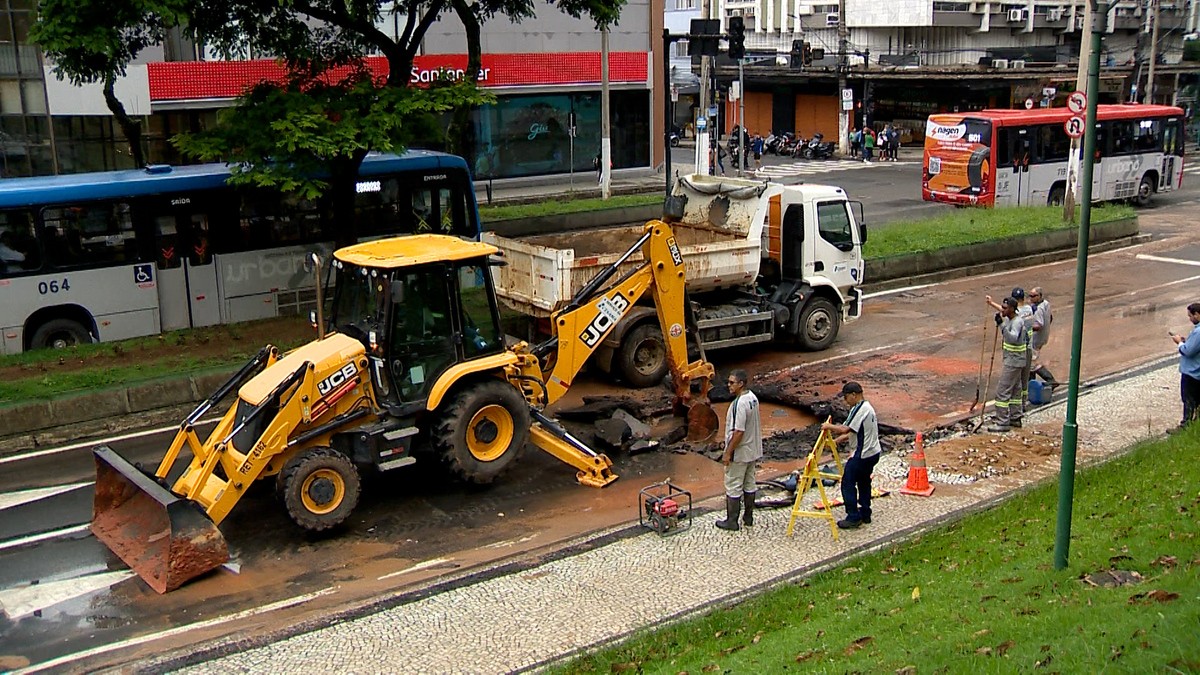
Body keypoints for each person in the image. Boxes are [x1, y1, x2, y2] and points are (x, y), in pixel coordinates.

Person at [821, 381, 881, 529]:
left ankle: (853, 516)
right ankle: (865, 512)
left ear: (854, 395)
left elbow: (844, 429)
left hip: (863, 454)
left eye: (846, 397)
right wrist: (837, 441)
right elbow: (855, 431)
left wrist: (828, 426)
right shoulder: (868, 408)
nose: (845, 401)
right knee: (863, 481)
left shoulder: (859, 408)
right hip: (874, 452)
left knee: (848, 482)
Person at [716, 368, 762, 531]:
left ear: (741, 384)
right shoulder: (753, 398)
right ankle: (748, 517)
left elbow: (738, 431)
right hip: (753, 450)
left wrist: (728, 452)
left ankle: (732, 521)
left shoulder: (739, 404)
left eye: (732, 383)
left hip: (740, 452)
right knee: (749, 483)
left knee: (733, 485)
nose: (729, 385)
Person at [984, 295, 1027, 432]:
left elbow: (1013, 338)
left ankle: (1002, 422)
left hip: (1013, 361)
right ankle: (1015, 417)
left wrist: (1001, 325)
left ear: (1012, 309)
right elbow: (1002, 310)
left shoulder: (1017, 322)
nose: (1002, 309)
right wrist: (991, 303)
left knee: (1002, 392)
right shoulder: (1010, 316)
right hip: (1016, 360)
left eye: (1005, 308)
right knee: (1015, 390)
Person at [1169, 302, 1200, 430]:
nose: (1189, 319)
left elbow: (1187, 351)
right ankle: (1195, 422)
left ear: (1197, 315)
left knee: (1189, 400)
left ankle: (1186, 425)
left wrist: (1179, 343)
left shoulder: (1198, 332)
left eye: (1190, 316)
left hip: (1192, 372)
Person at [1029, 287, 1059, 388]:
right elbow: (1050, 317)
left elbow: (1038, 325)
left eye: (1033, 296)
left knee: (1032, 363)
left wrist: (1026, 328)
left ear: (1040, 296)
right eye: (1030, 296)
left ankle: (1050, 380)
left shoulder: (1039, 309)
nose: (1031, 298)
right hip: (1043, 337)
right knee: (1030, 362)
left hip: (1036, 340)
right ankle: (1030, 385)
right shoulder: (1046, 303)